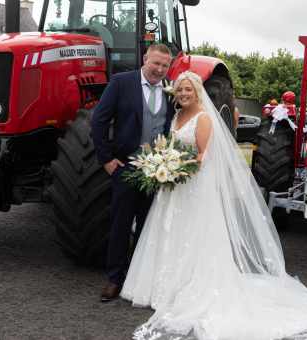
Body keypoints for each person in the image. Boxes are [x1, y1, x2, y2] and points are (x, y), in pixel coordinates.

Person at [121, 71, 307, 340]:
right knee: (171, 232)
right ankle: (163, 286)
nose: (183, 93)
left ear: (197, 93)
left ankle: (188, 287)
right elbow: (172, 145)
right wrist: (164, 164)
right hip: (174, 186)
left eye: (188, 89)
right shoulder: (178, 116)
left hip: (192, 184)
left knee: (195, 234)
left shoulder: (203, 118)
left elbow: (204, 156)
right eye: (179, 90)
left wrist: (177, 168)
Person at [91, 44, 176, 302]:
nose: (159, 70)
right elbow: (99, 120)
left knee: (148, 227)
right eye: (156, 63)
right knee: (120, 224)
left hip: (158, 170)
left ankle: (139, 279)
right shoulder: (121, 82)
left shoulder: (171, 89)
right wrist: (106, 159)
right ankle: (114, 279)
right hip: (125, 167)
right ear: (145, 59)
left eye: (165, 66)